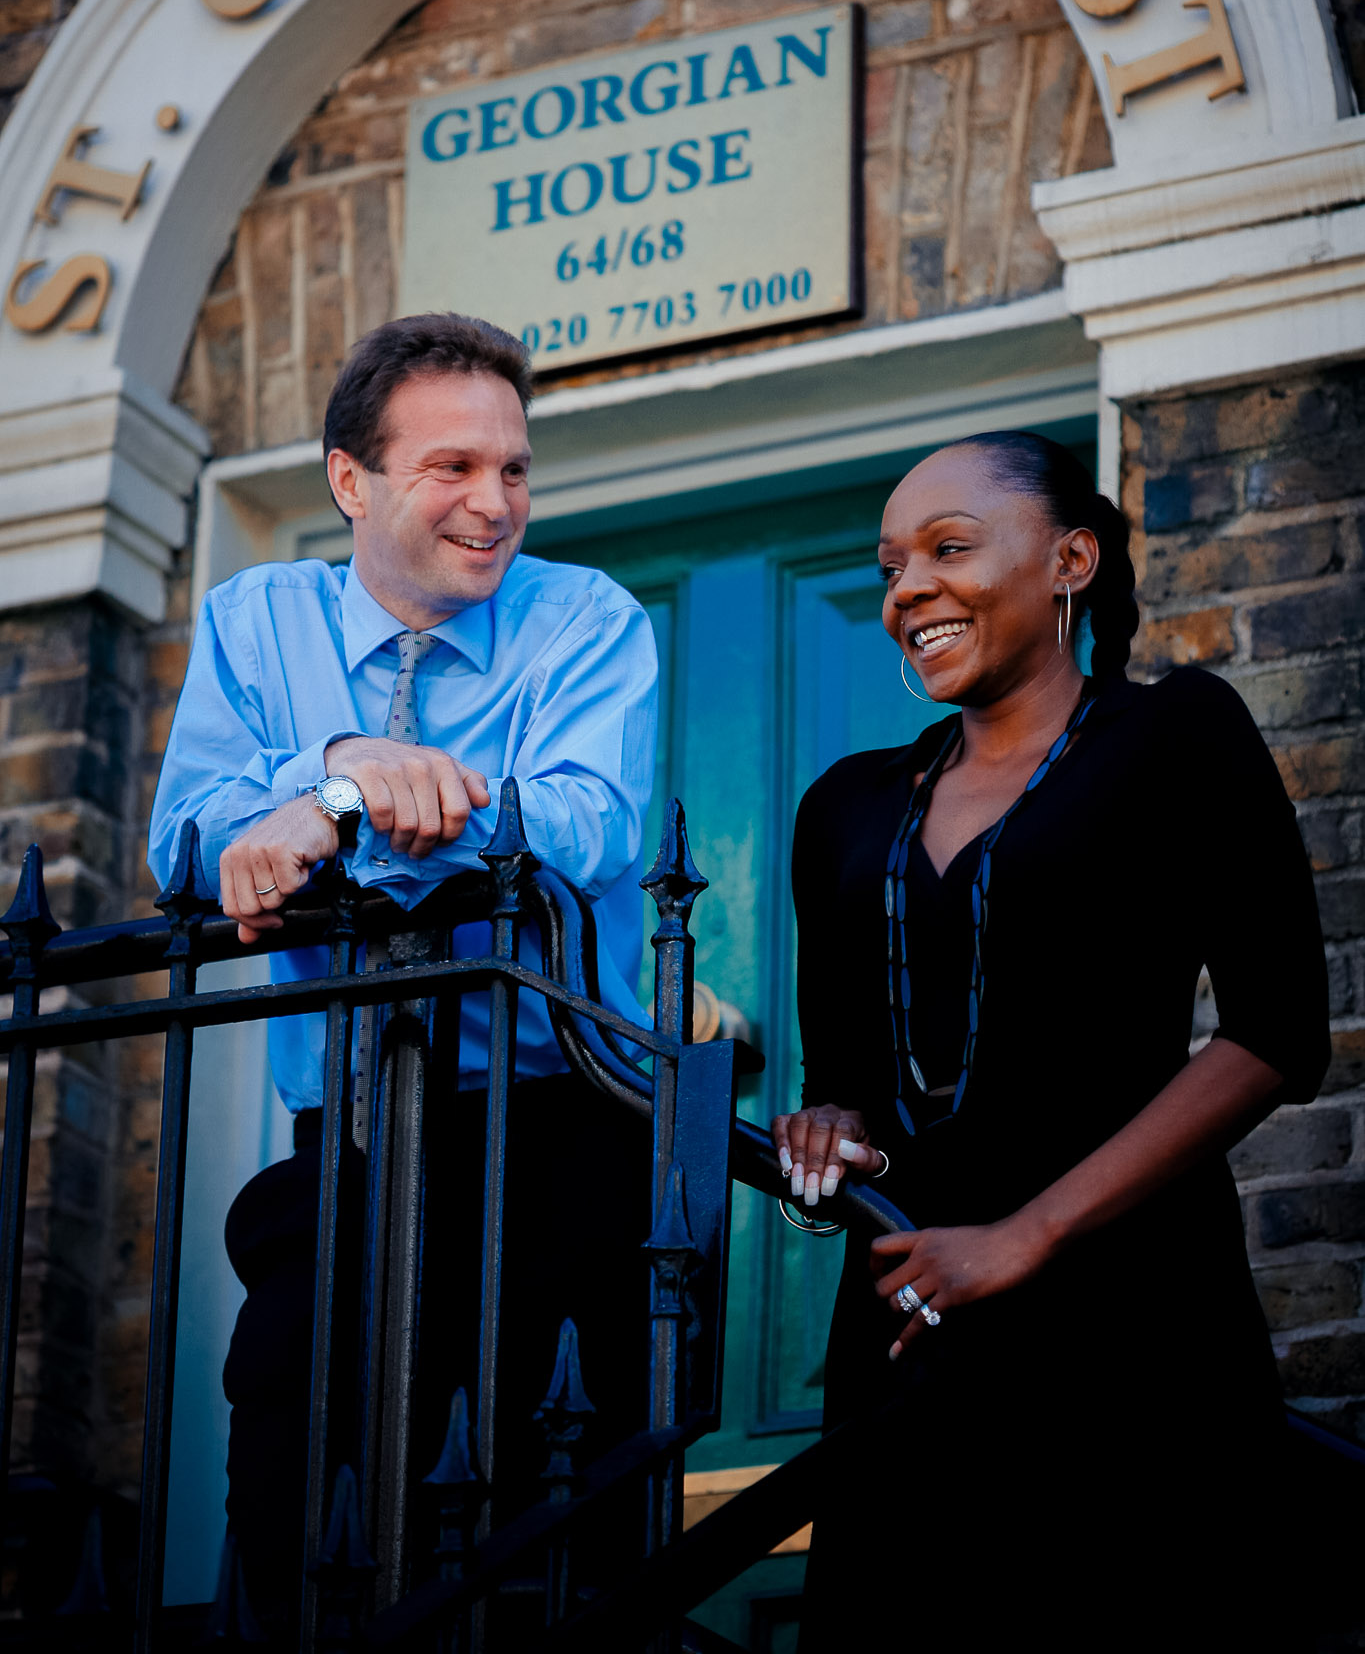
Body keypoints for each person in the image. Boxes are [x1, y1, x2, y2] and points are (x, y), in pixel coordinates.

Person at [772, 430, 1328, 1651]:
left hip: (1132, 1326)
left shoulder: (1175, 736)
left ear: (1069, 557)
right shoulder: (845, 805)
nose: (907, 586)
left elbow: (1279, 1031)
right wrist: (827, 1134)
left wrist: (1025, 1235)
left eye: (949, 548)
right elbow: (849, 1085)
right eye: (889, 566)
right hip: (911, 1335)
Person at [149, 313, 658, 1638]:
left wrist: (350, 803)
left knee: (551, 1545)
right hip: (353, 1145)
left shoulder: (587, 619)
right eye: (451, 469)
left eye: (514, 471)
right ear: (349, 481)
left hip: (562, 1135)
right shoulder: (255, 619)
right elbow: (185, 843)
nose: (494, 506)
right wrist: (334, 772)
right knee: (298, 1513)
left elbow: (592, 822)